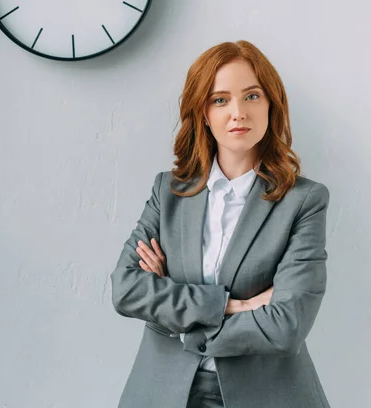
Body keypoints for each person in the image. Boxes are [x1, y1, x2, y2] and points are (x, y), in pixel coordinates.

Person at [110, 39, 331, 408]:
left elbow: (287, 325)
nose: (238, 113)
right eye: (220, 99)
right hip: (163, 390)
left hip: (265, 395)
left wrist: (173, 313)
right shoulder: (168, 192)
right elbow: (127, 289)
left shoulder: (304, 201)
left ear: (272, 105)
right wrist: (231, 305)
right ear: (203, 113)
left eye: (252, 96)